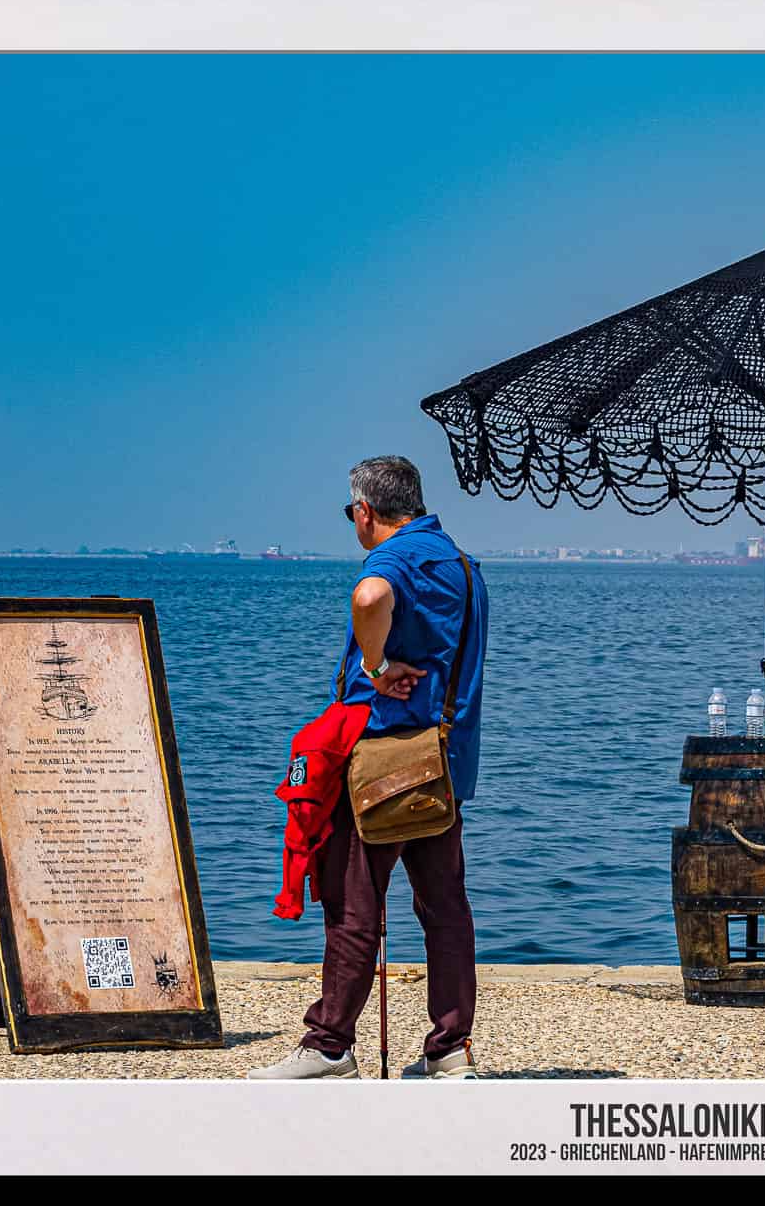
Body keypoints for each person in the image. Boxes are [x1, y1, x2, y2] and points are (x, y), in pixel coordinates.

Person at [249, 456, 489, 1080]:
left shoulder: (393, 558)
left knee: (354, 907)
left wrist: (377, 668)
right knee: (445, 908)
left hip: (379, 765)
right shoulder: (463, 566)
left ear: (364, 511)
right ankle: (450, 1049)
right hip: (443, 765)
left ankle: (329, 1045)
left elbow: (370, 595)